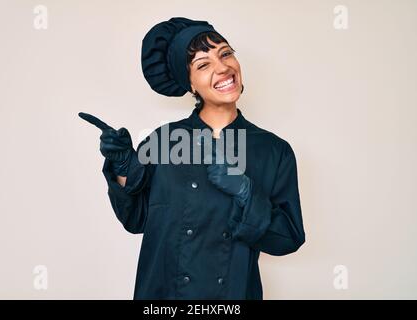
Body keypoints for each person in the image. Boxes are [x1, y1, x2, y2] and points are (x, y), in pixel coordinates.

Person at [79, 17, 305, 300]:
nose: (223, 67)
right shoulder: (163, 141)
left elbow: (288, 237)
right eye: (203, 64)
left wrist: (246, 191)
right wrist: (124, 165)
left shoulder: (273, 150)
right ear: (191, 84)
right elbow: (136, 219)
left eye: (225, 53)